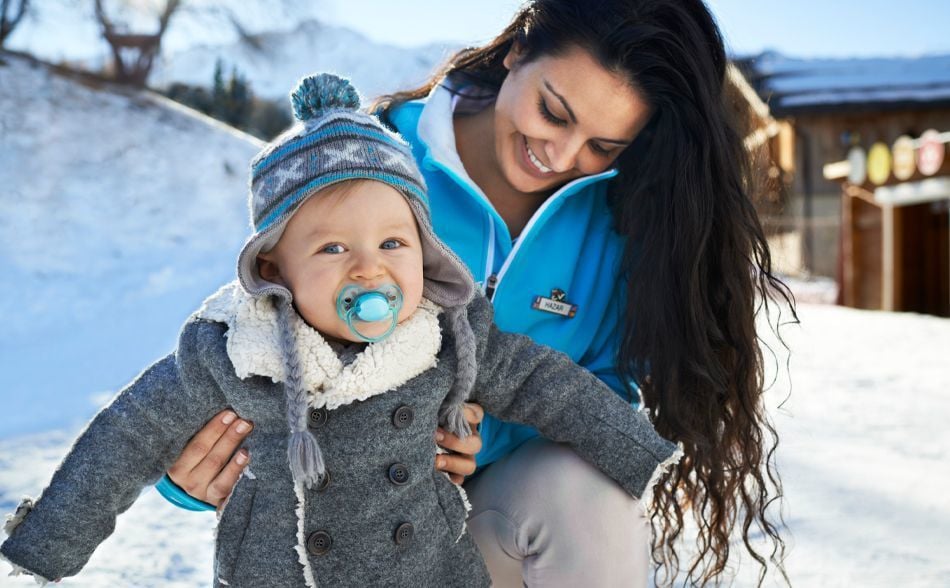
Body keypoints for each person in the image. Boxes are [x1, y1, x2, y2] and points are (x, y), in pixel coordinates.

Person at [160, 0, 795, 585]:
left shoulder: (616, 222)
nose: (562, 156)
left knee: (589, 492)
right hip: (335, 540)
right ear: (517, 51)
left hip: (477, 535)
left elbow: (604, 392)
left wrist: (482, 436)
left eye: (604, 146)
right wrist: (191, 472)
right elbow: (256, 331)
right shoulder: (369, 159)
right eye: (554, 112)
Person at [0, 74, 678, 587]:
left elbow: (546, 383)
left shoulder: (444, 332)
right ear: (273, 267)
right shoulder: (235, 349)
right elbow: (127, 434)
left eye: (393, 244)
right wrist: (50, 541)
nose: (369, 270)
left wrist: (637, 450)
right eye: (332, 249)